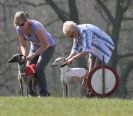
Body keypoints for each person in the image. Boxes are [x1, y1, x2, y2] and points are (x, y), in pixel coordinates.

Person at [62, 21, 115, 96]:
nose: (72, 37)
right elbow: (75, 49)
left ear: (74, 30)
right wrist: (68, 59)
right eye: (70, 37)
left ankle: (94, 92)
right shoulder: (76, 32)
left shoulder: (85, 31)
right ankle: (89, 91)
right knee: (90, 74)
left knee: (94, 73)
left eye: (72, 35)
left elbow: (87, 50)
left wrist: (73, 58)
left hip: (104, 47)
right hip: (94, 49)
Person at [13, 11, 55, 96]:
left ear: (26, 21)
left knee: (39, 68)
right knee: (27, 69)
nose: (20, 27)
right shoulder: (19, 29)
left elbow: (45, 44)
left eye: (21, 25)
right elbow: (23, 45)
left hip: (48, 47)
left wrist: (33, 54)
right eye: (18, 26)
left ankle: (43, 94)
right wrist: (25, 55)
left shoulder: (36, 27)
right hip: (35, 47)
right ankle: (32, 93)